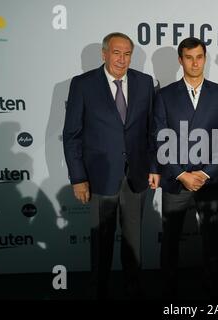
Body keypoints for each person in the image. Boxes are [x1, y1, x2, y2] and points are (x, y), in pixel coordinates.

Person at [63, 32, 160, 299]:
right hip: (99, 177)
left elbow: (152, 131)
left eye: (127, 53)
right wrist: (78, 177)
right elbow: (72, 135)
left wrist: (154, 167)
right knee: (101, 242)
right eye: (116, 52)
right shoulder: (83, 84)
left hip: (136, 176)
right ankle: (99, 290)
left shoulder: (144, 82)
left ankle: (133, 288)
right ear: (104, 54)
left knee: (133, 241)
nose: (122, 59)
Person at [153, 37, 218, 298]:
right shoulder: (164, 95)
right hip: (176, 178)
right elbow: (159, 136)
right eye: (189, 57)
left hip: (208, 178)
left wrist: (206, 172)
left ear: (205, 58)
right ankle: (168, 290)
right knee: (171, 239)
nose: (195, 62)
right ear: (180, 60)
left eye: (199, 56)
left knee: (211, 238)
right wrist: (180, 173)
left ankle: (213, 289)